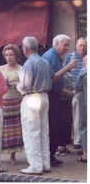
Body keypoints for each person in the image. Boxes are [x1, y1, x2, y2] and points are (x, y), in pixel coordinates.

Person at [13, 37, 52, 175]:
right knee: (43, 131)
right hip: (44, 96)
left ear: (26, 48)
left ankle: (35, 165)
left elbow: (26, 86)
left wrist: (17, 84)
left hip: (32, 98)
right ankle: (45, 163)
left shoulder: (29, 64)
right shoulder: (45, 62)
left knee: (31, 133)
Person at [42, 34, 77, 167]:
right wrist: (67, 67)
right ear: (56, 44)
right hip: (51, 95)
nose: (67, 48)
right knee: (52, 126)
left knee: (57, 126)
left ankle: (51, 155)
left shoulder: (56, 56)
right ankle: (49, 157)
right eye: (65, 45)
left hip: (56, 95)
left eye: (68, 45)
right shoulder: (51, 56)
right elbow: (51, 78)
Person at [0, 44, 24, 165]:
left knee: (15, 129)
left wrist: (17, 83)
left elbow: (25, 85)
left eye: (11, 55)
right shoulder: (1, 68)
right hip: (4, 101)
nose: (9, 57)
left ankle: (13, 156)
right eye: (7, 55)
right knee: (2, 129)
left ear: (16, 56)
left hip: (17, 101)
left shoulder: (21, 68)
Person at [64, 37, 87, 150]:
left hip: (86, 90)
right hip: (76, 91)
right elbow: (65, 73)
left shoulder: (87, 58)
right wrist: (71, 85)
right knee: (77, 117)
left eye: (84, 45)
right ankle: (78, 141)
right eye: (80, 45)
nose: (82, 47)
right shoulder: (70, 57)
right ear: (76, 46)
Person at [75, 55, 87, 163]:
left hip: (86, 102)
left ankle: (85, 154)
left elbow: (77, 87)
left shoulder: (84, 71)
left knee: (84, 127)